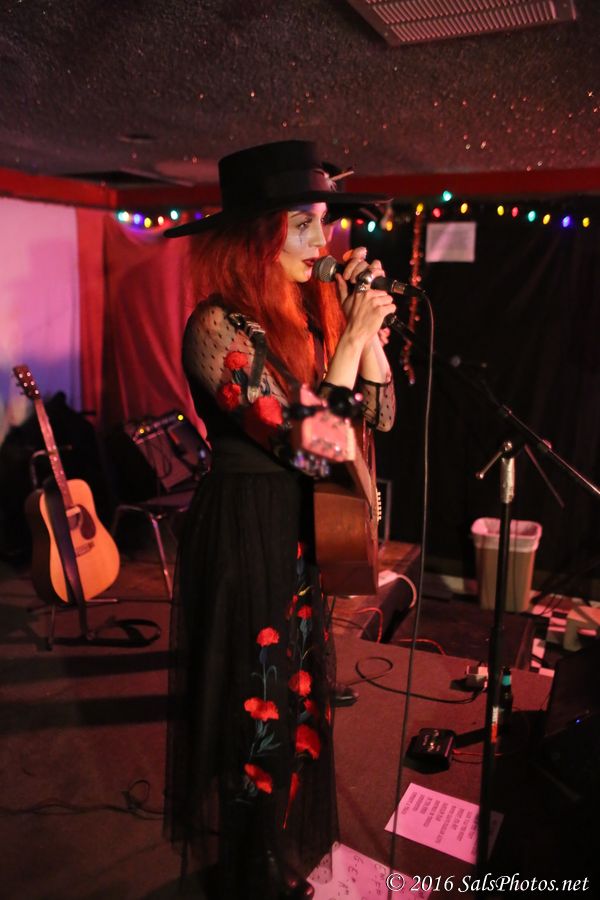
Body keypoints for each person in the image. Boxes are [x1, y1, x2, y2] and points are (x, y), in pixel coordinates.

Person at [163, 140, 396, 900]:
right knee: (252, 705)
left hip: (299, 529)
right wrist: (350, 339)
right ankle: (249, 870)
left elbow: (378, 417)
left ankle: (277, 855)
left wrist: (367, 341)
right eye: (301, 224)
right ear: (252, 237)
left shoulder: (303, 311)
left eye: (322, 222)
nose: (321, 240)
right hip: (245, 530)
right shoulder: (214, 329)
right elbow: (311, 446)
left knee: (297, 699)